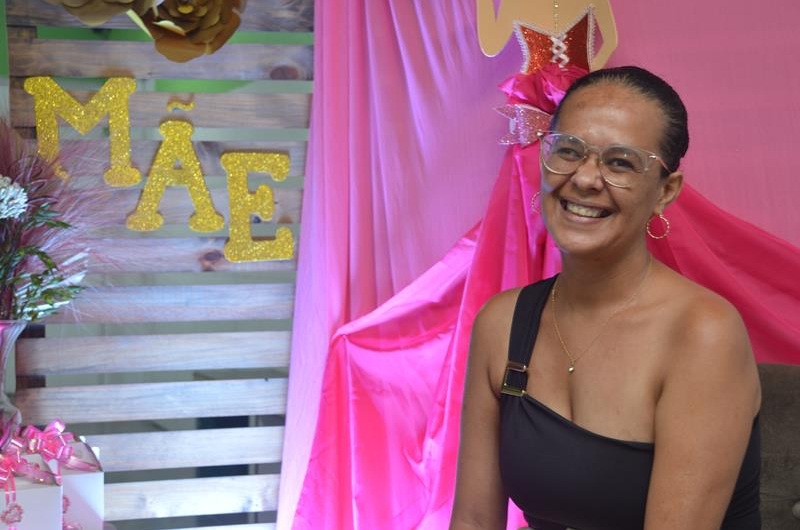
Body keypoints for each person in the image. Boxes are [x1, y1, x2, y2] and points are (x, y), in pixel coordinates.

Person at [449, 66, 762, 530]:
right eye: (568, 150)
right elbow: (474, 520)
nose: (585, 179)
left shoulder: (703, 334)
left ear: (665, 191)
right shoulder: (502, 323)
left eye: (620, 162)